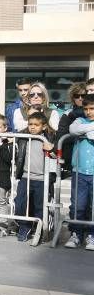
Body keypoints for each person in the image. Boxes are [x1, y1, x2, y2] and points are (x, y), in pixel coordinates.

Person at [12, 111, 55, 242]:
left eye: (36, 125)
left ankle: (40, 229)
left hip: (42, 180)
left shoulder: (49, 138)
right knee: (20, 204)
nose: (32, 127)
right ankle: (24, 227)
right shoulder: (24, 138)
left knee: (39, 207)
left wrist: (51, 149)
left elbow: (57, 157)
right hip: (25, 177)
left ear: (43, 126)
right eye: (30, 124)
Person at [64, 97, 94, 250]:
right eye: (86, 109)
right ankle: (76, 234)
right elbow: (73, 130)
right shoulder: (79, 120)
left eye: (92, 109)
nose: (89, 112)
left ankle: (91, 235)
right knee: (78, 206)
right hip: (79, 171)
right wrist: (91, 128)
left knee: (92, 207)